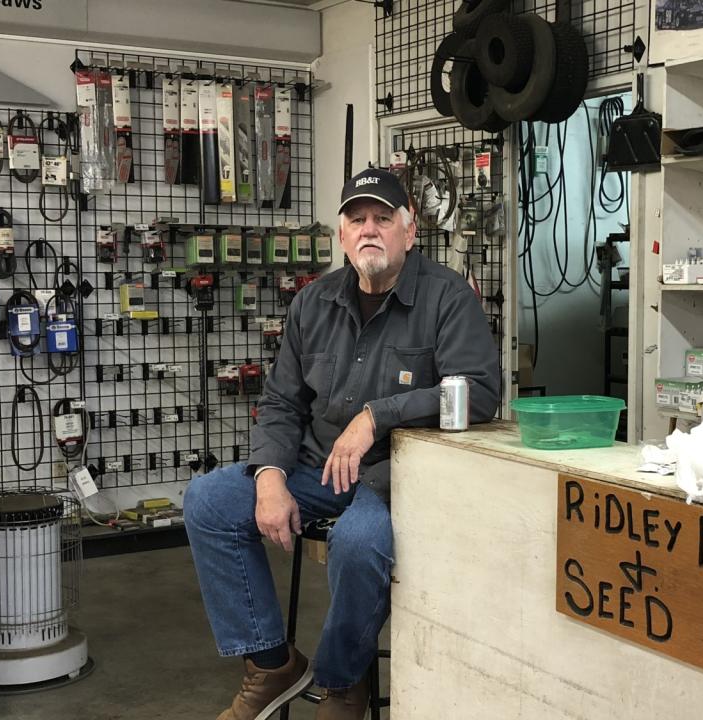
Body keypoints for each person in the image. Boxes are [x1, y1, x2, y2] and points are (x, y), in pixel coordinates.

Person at [184, 167, 501, 720]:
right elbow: (282, 404)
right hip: (317, 470)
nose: (369, 230)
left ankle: (341, 682)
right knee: (209, 500)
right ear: (341, 234)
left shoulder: (448, 296)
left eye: (383, 218)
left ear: (410, 229)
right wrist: (269, 476)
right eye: (358, 220)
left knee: (358, 544)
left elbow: (477, 394)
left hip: (398, 477)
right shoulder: (313, 303)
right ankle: (271, 664)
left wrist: (379, 416)